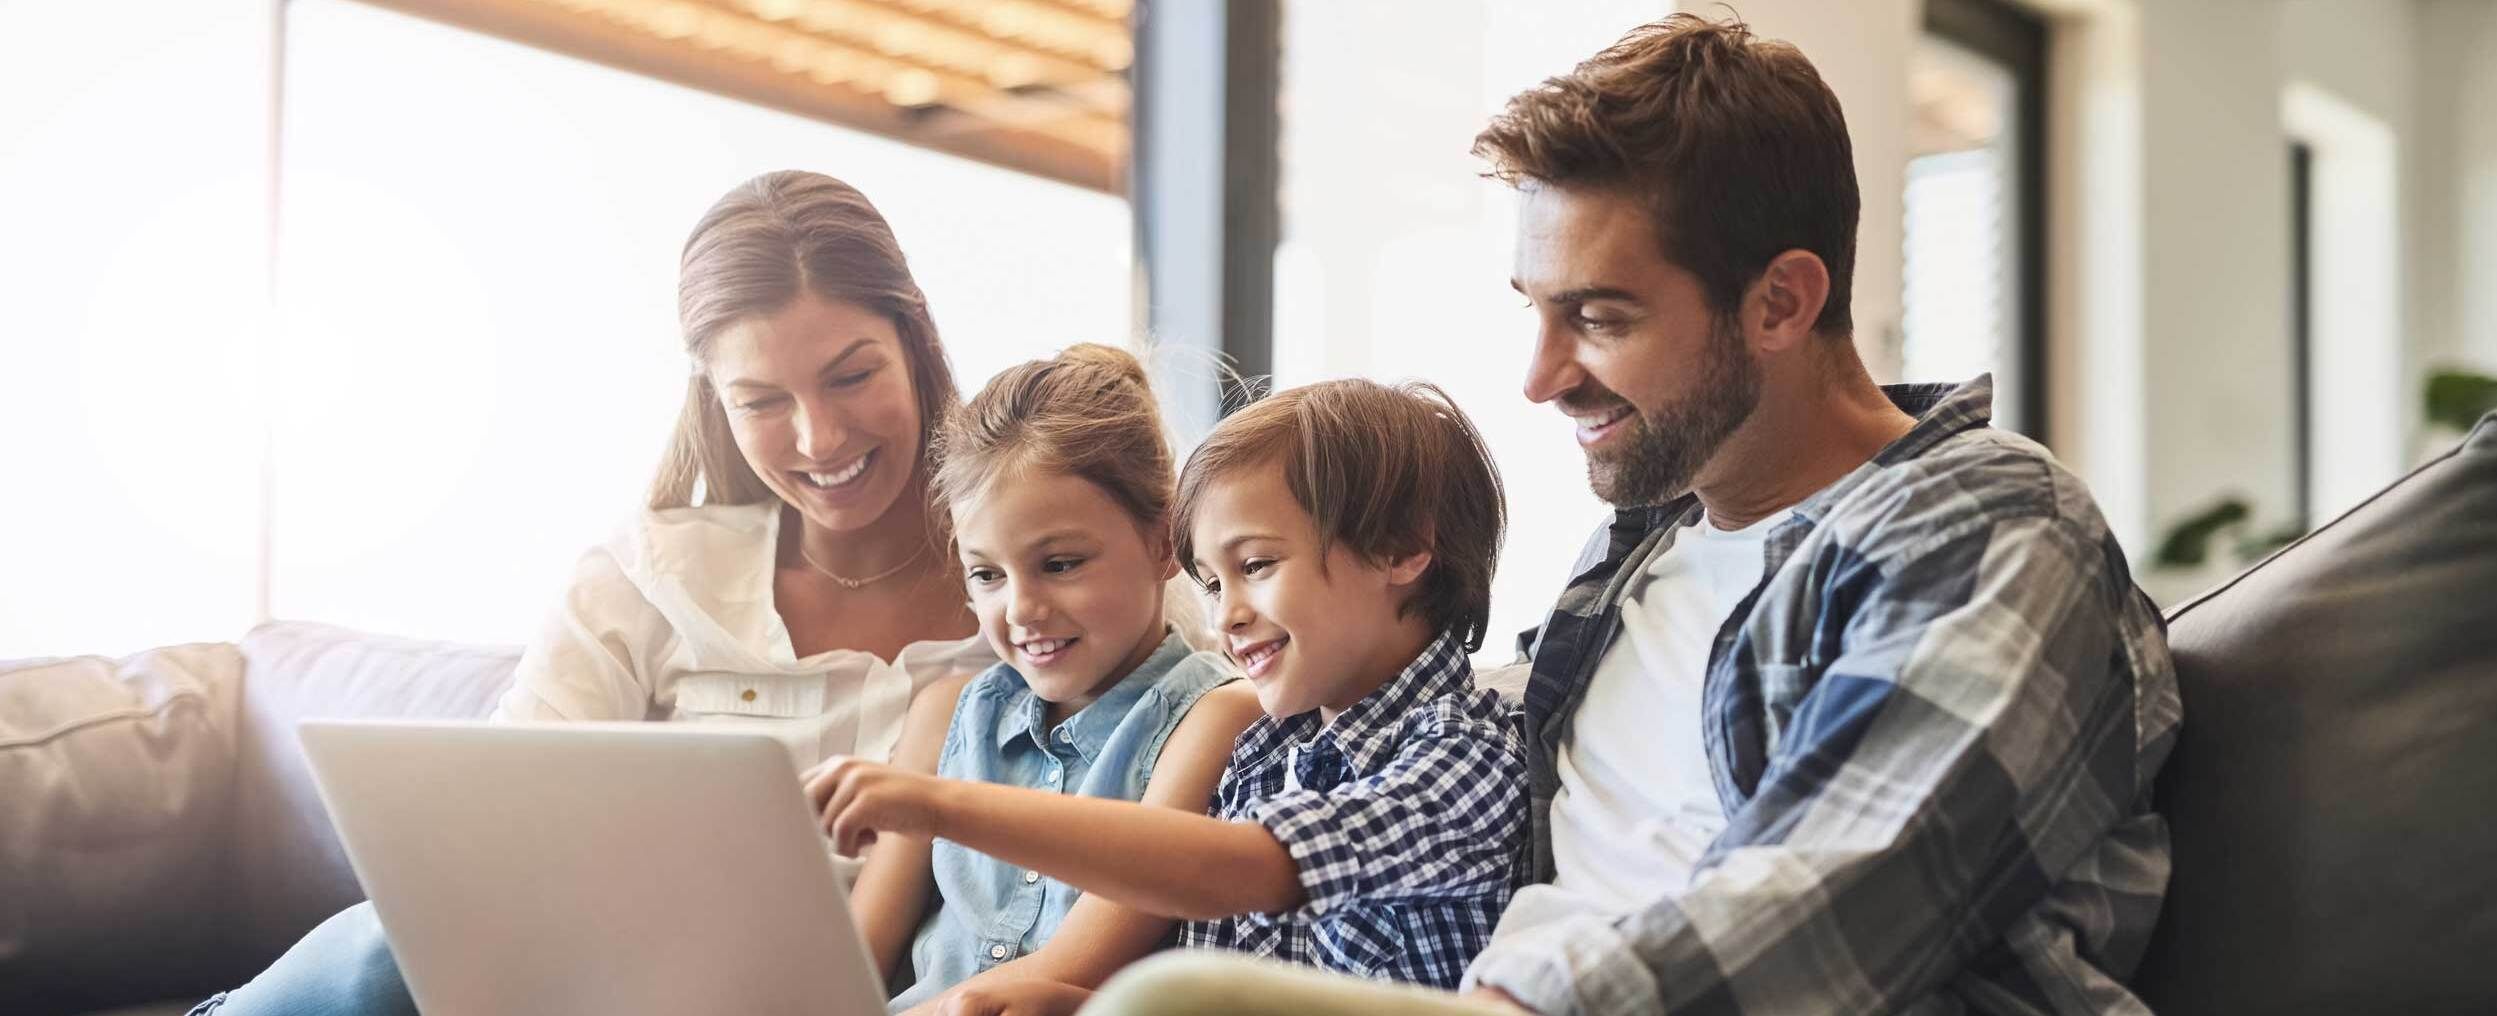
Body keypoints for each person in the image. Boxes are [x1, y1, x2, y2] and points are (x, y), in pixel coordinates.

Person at [1081, 13, 2180, 1016]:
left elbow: (1845, 892)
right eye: (1535, 310)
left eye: (1598, 317)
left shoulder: (1985, 528)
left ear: (1780, 301)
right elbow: (1455, 742)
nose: (1540, 376)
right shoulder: (1636, 551)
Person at [189, 170, 998, 1015]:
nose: (818, 436)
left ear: (915, 339)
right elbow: (495, 822)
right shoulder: (653, 576)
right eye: (760, 400)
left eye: (850, 376)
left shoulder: (1038, 599)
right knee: (394, 948)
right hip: (596, 982)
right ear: (714, 401)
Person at [813, 378, 1528, 1008]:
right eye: (1213, 583)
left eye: (1256, 565)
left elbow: (1241, 868)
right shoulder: (1273, 750)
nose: (1226, 616)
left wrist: (938, 803)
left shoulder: (1464, 756)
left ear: (1400, 549)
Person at [833, 343, 1263, 1014]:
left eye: (1060, 564)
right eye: (987, 575)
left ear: (1163, 540)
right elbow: (853, 956)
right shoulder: (947, 713)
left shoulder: (1215, 714)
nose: (1022, 609)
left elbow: (1077, 963)